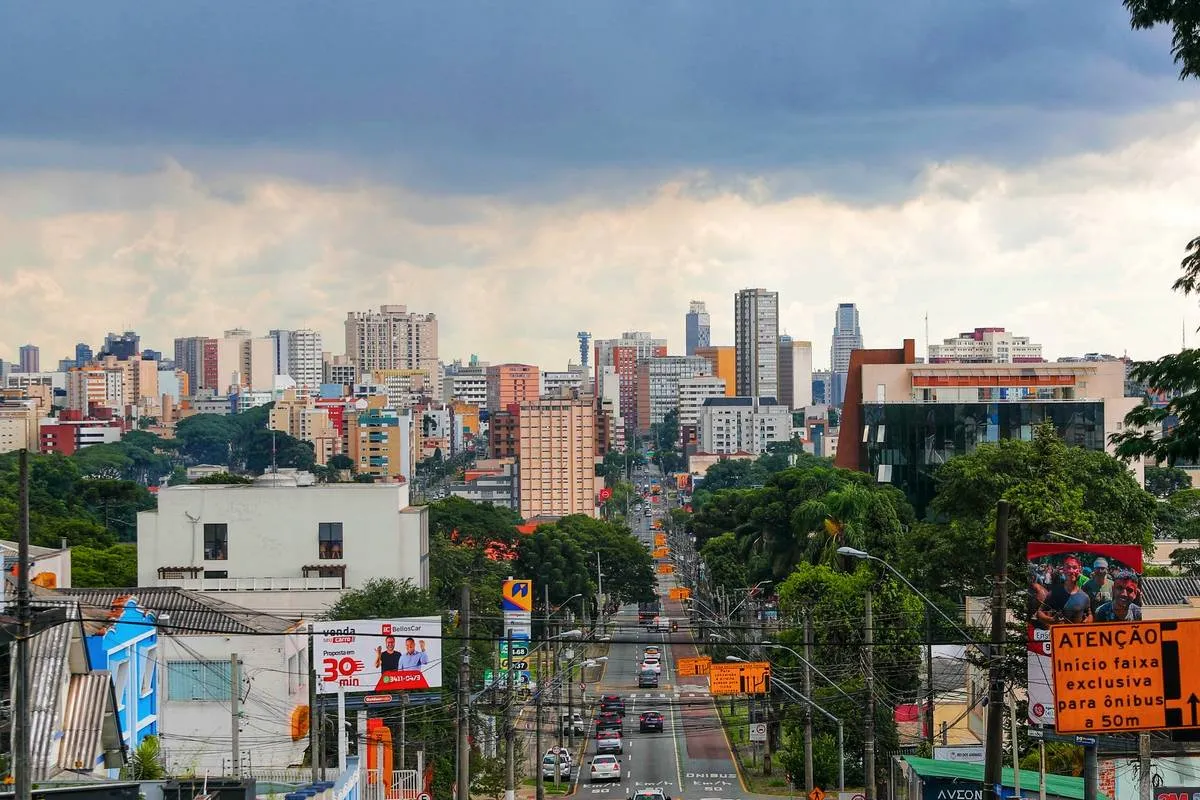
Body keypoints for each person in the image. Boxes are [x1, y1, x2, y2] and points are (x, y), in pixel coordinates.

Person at [1037, 555, 1092, 625]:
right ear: (1063, 570)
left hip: (1077, 634)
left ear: (1080, 570)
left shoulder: (1085, 597)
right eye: (1068, 567)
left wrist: (1088, 621)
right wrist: (1051, 620)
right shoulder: (1054, 593)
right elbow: (1039, 612)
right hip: (1058, 634)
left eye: (1074, 568)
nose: (1071, 571)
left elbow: (1089, 614)